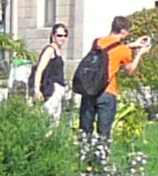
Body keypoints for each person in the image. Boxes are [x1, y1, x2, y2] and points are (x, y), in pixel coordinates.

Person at [76, 15, 148, 145]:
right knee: (104, 132)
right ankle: (101, 159)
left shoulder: (97, 42)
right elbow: (129, 71)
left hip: (90, 89)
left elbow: (110, 50)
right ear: (123, 31)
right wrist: (139, 54)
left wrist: (132, 45)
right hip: (108, 92)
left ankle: (84, 157)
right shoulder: (124, 51)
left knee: (86, 130)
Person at [29, 26, 74, 118]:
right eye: (59, 35)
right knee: (48, 116)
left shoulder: (59, 51)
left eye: (65, 36)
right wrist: (37, 90)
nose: (63, 38)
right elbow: (39, 70)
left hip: (59, 89)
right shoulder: (50, 50)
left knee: (55, 119)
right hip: (51, 88)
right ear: (53, 36)